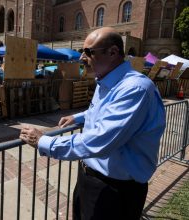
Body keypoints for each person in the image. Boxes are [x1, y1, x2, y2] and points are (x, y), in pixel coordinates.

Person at [19, 27, 166, 220]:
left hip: (115, 189)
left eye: (88, 52)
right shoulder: (106, 80)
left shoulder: (135, 89)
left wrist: (44, 142)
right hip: (90, 178)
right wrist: (78, 117)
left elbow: (101, 140)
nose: (81, 57)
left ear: (113, 52)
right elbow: (102, 111)